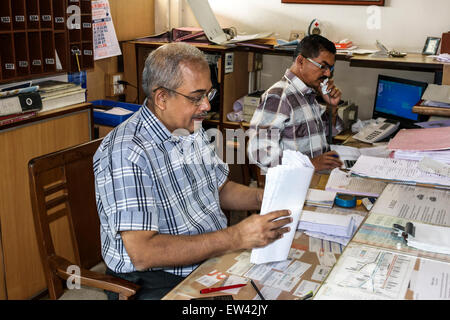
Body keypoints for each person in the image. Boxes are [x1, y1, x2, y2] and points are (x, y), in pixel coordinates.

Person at [93, 42, 292, 300]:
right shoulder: (127, 153)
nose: (206, 106)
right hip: (154, 281)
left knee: (286, 287)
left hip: (208, 258)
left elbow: (219, 188)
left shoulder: (190, 128)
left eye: (209, 94)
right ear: (162, 98)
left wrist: (261, 198)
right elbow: (144, 254)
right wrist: (235, 237)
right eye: (196, 97)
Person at [248, 35, 344, 172]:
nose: (328, 74)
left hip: (315, 180)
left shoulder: (307, 94)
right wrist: (311, 163)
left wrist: (332, 107)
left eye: (330, 68)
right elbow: (260, 153)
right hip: (293, 185)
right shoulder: (279, 96)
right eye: (323, 66)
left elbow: (325, 136)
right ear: (300, 61)